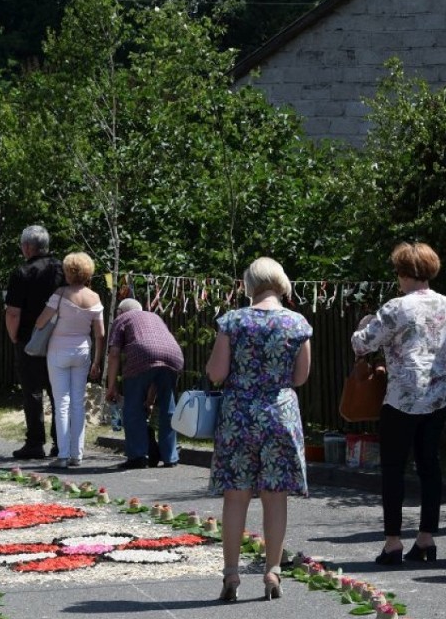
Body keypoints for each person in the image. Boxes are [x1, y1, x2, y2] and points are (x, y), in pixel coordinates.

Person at [207, 257, 312, 601]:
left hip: (239, 416)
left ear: (249, 284)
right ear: (280, 282)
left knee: (236, 497)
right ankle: (272, 572)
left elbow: (217, 373)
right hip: (280, 415)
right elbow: (300, 378)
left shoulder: (232, 321)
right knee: (275, 495)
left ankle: (232, 575)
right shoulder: (297, 324)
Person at [352, 241, 446, 565]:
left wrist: (363, 325)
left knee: (394, 470)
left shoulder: (397, 307)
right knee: (430, 466)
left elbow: (363, 344)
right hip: (439, 393)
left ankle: (393, 541)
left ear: (403, 272)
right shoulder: (445, 303)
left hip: (403, 397)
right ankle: (426, 538)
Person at [31, 251, 104, 467]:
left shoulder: (60, 294)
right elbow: (99, 334)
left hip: (58, 350)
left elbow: (40, 321)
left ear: (68, 272)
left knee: (61, 402)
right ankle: (77, 454)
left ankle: (62, 454)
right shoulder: (95, 297)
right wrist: (98, 361)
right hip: (82, 351)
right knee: (78, 403)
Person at [5, 224, 64, 459]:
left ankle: (35, 442)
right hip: (59, 335)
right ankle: (61, 442)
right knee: (57, 391)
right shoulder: (61, 269)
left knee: (32, 391)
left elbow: (12, 312)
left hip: (30, 336)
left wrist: (13, 335)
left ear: (28, 247)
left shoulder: (22, 272)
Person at [106, 298, 184, 469]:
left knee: (132, 408)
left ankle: (138, 456)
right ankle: (170, 456)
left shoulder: (121, 319)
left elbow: (114, 353)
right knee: (168, 408)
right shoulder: (155, 317)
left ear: (120, 312)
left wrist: (111, 386)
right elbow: (156, 369)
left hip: (142, 355)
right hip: (174, 355)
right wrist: (149, 400)